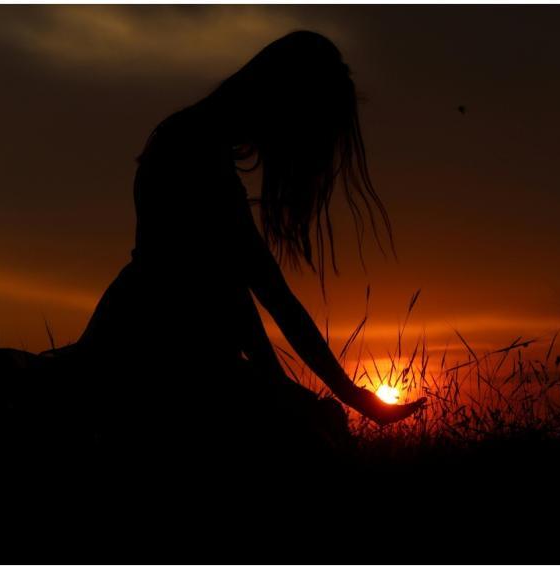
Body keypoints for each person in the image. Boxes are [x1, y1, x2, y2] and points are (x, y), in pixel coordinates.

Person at [62, 31, 424, 447]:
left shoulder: (190, 140)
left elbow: (239, 286)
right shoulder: (195, 152)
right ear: (284, 101)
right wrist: (317, 392)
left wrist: (308, 389)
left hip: (168, 343)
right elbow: (257, 291)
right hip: (160, 352)